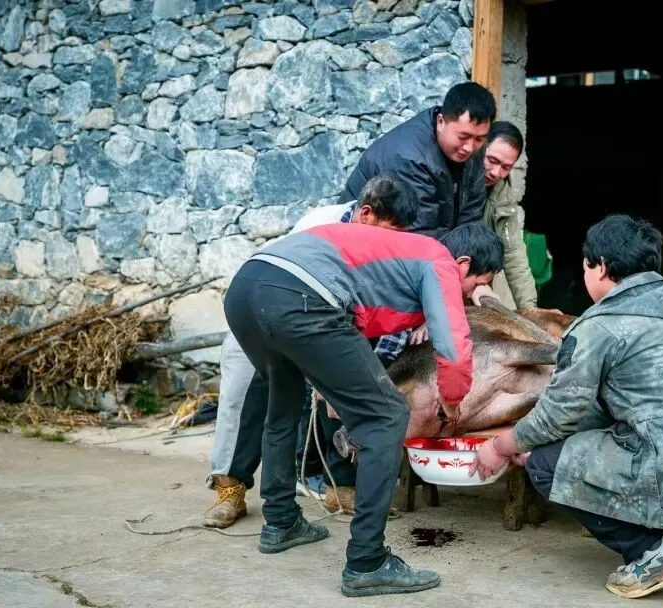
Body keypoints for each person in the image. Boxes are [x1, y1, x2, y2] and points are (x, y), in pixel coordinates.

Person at [469, 214, 663, 599]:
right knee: (570, 446)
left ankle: (652, 552)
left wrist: (502, 446)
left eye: (585, 264)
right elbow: (598, 409)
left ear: (599, 267)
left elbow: (560, 413)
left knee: (547, 464)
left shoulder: (599, 326)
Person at [223, 221, 504, 597]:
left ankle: (281, 521)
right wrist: (453, 398)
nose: (471, 296)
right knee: (387, 416)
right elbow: (453, 344)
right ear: (464, 264)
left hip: (246, 290)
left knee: (284, 403)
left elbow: (356, 336)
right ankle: (367, 561)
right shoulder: (438, 261)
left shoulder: (396, 259)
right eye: (477, 284)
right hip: (300, 297)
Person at [203, 175, 417, 529]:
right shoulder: (320, 224)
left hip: (315, 319)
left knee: (334, 390)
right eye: (389, 233)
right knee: (251, 398)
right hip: (262, 311)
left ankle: (333, 488)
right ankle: (231, 487)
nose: (392, 245)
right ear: (366, 214)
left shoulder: (378, 242)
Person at [337, 81, 496, 238]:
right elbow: (420, 236)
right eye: (463, 136)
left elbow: (471, 219)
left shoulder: (475, 149)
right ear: (441, 122)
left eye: (479, 139)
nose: (469, 147)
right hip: (357, 243)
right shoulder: (409, 157)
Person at [480, 121, 537, 310]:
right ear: (480, 146)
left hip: (478, 283)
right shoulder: (455, 178)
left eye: (506, 167)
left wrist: (530, 310)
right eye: (492, 160)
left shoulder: (503, 194)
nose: (496, 172)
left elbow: (513, 252)